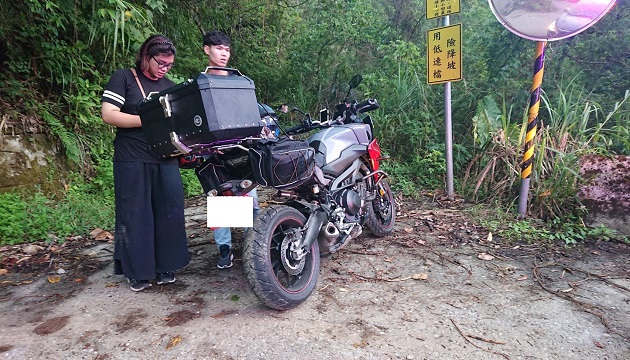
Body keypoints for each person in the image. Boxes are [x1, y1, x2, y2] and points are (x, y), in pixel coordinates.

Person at [101, 34, 190, 291]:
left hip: (165, 157)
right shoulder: (124, 78)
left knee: (169, 211)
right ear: (146, 57)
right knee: (136, 214)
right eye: (161, 63)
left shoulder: (170, 85)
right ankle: (137, 271)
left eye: (169, 64)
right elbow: (109, 115)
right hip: (132, 156)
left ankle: (166, 266)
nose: (165, 68)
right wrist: (148, 119)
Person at [202, 30, 259, 269]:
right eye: (218, 48)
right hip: (214, 152)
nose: (223, 54)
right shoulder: (201, 83)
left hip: (240, 148)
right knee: (220, 198)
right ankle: (224, 248)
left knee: (249, 195)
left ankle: (254, 245)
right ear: (207, 50)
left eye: (226, 49)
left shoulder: (239, 82)